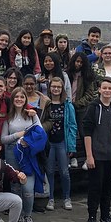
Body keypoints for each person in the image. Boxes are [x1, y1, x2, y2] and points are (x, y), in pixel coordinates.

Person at [81, 77, 111, 222]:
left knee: (109, 188)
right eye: (104, 88)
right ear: (99, 89)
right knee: (95, 187)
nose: (107, 91)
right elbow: (86, 132)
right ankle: (92, 217)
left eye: (110, 88)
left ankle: (105, 216)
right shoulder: (93, 107)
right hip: (97, 155)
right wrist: (89, 156)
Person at [1, 88, 41, 222]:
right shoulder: (8, 118)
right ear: (12, 99)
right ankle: (17, 215)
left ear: (25, 99)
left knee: (28, 189)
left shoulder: (32, 116)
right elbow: (3, 139)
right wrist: (18, 135)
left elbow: (40, 133)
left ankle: (28, 214)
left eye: (22, 97)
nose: (19, 99)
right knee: (15, 187)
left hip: (28, 153)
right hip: (12, 152)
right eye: (16, 97)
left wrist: (28, 139)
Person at [40, 75, 76, 211]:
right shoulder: (46, 103)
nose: (56, 89)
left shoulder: (67, 105)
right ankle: (51, 198)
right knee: (49, 171)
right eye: (53, 86)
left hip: (62, 142)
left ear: (62, 89)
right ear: (49, 88)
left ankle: (67, 197)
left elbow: (72, 125)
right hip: (49, 143)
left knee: (64, 172)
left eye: (58, 87)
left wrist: (71, 145)